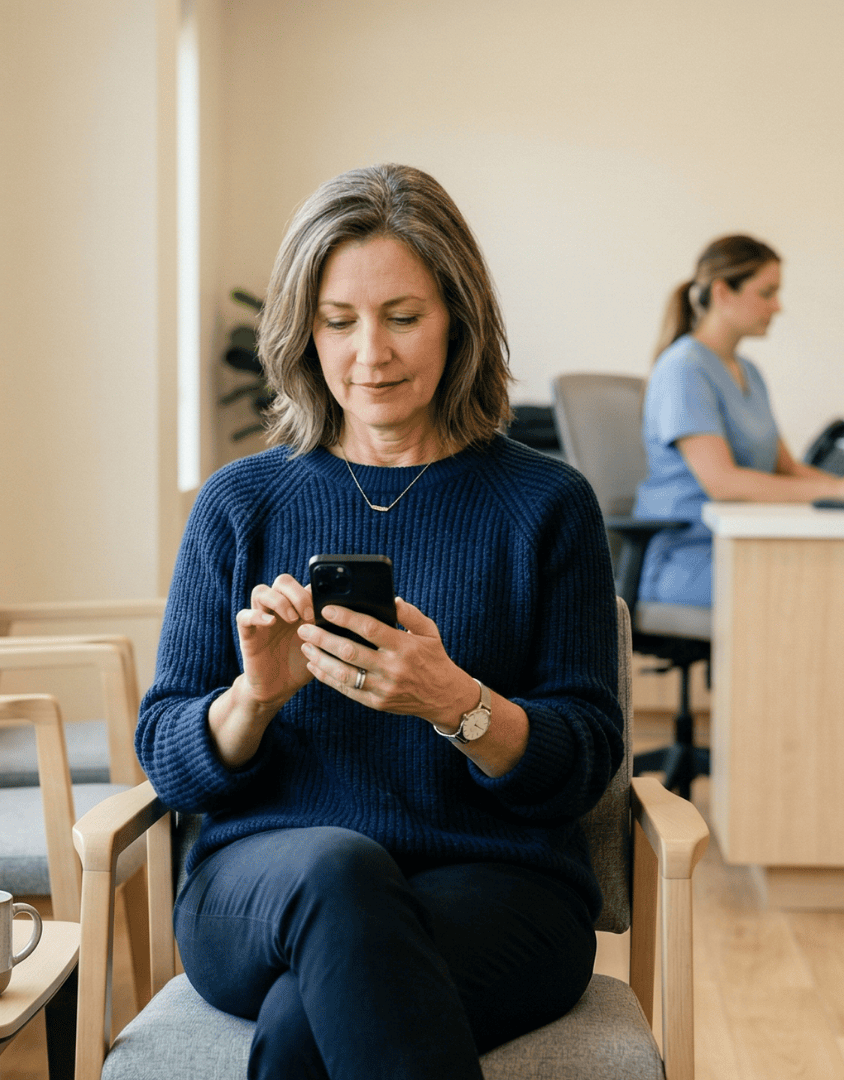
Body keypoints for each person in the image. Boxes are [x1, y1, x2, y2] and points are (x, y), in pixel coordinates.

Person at [137, 164, 623, 1080]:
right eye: (339, 320)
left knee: (302, 1027)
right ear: (303, 331)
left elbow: (586, 760)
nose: (372, 353)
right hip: (265, 883)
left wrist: (459, 704)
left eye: (403, 317)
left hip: (500, 888)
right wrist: (253, 697)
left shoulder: (547, 504)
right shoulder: (240, 503)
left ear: (458, 320)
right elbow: (165, 751)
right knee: (339, 872)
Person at [634, 235, 844, 607]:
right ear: (724, 292)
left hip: (740, 544)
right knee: (827, 590)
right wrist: (837, 492)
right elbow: (724, 483)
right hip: (690, 557)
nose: (777, 306)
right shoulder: (684, 369)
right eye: (767, 293)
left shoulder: (748, 372)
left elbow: (785, 468)